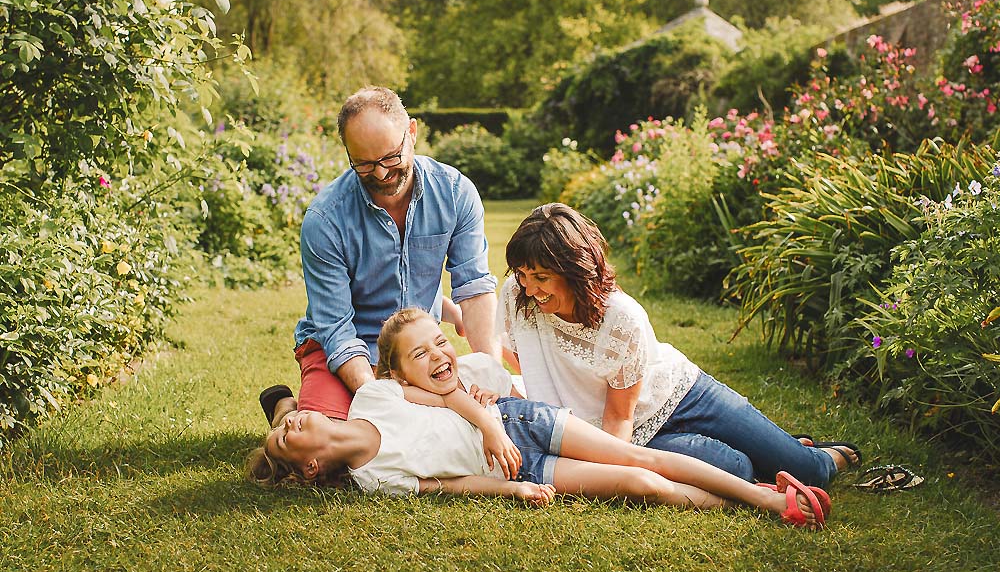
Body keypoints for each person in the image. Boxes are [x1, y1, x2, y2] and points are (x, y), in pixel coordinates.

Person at [249, 308, 830, 529]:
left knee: (639, 457)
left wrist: (493, 427)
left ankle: (770, 501)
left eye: (285, 419)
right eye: (282, 438)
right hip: (515, 468)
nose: (288, 425)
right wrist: (511, 488)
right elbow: (446, 486)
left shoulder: (375, 397)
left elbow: (452, 398)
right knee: (637, 484)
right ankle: (756, 497)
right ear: (308, 467)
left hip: (521, 424)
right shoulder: (376, 480)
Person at [497, 203, 861, 489]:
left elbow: (618, 416)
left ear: (575, 271)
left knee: (805, 472)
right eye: (523, 275)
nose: (530, 289)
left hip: (683, 395)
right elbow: (515, 355)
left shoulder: (621, 317)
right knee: (739, 468)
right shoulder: (517, 296)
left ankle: (823, 457)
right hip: (630, 434)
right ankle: (768, 451)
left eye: (541, 277)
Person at [262, 86, 501, 426]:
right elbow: (336, 329)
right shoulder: (326, 220)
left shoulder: (454, 193)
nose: (381, 174)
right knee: (331, 451)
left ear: (412, 133)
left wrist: (487, 373)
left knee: (454, 432)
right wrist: (380, 397)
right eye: (364, 165)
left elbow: (474, 289)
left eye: (390, 158)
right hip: (344, 347)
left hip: (415, 352)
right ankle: (286, 408)